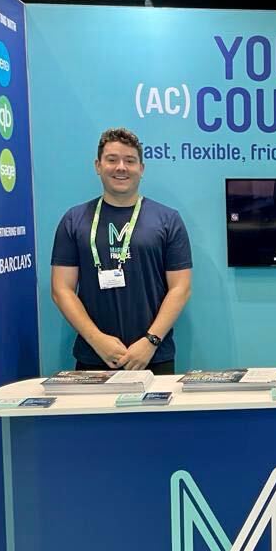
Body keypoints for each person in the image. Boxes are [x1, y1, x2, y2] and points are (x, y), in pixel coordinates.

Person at [51, 127, 192, 374]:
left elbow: (181, 288)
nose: (121, 168)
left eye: (130, 161)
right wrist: (97, 340)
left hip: (152, 356)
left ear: (141, 168)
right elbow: (61, 289)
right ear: (98, 165)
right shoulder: (74, 220)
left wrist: (151, 341)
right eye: (112, 160)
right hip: (94, 355)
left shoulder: (168, 219)